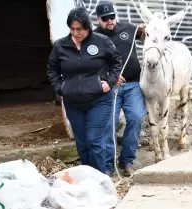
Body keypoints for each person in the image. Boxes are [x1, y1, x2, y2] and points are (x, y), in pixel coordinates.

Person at [47, 7, 122, 174]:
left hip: (99, 99)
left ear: (88, 27)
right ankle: (88, 179)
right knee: (82, 144)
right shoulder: (61, 46)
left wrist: (109, 82)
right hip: (73, 102)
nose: (75, 33)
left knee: (95, 141)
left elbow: (116, 61)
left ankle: (100, 179)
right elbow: (52, 69)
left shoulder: (102, 42)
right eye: (72, 29)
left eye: (79, 29)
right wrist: (61, 88)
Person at [94, 1, 147, 177]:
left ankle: (127, 161)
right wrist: (108, 76)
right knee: (110, 124)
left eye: (112, 17)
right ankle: (108, 165)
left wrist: (147, 27)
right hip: (110, 88)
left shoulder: (129, 29)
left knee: (136, 118)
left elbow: (148, 35)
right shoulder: (94, 38)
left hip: (133, 85)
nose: (109, 21)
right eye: (105, 18)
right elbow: (91, 65)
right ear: (98, 19)